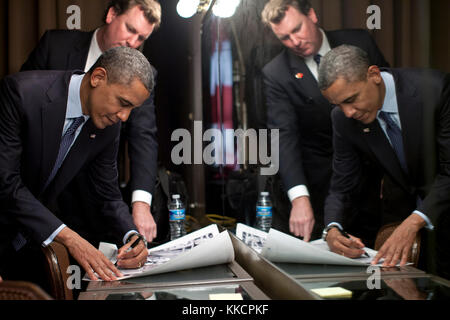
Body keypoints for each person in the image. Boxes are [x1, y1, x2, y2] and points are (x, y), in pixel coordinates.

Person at [0, 47, 154, 282]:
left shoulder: (109, 126)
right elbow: (6, 183)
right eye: (123, 103)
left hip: (28, 243)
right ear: (98, 77)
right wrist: (70, 239)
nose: (124, 117)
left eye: (132, 108)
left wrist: (131, 236)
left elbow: (107, 196)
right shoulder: (20, 93)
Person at [20, 0, 161, 243]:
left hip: (92, 198)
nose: (133, 42)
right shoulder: (56, 46)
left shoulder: (142, 78)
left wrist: (141, 203)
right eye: (130, 29)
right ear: (111, 14)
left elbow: (143, 137)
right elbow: (23, 106)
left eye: (141, 38)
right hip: (32, 188)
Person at [318, 44, 450, 279]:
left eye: (351, 99)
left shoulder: (436, 90)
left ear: (374, 75)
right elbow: (342, 183)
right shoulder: (342, 119)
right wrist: (332, 228)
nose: (348, 112)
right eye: (338, 104)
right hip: (397, 227)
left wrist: (414, 221)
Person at [261, 0, 388, 242]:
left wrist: (391, 170)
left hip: (375, 179)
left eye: (297, 29)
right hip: (325, 186)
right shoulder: (276, 73)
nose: (295, 41)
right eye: (285, 38)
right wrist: (299, 198)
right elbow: (284, 137)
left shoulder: (359, 42)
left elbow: (388, 99)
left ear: (312, 15)